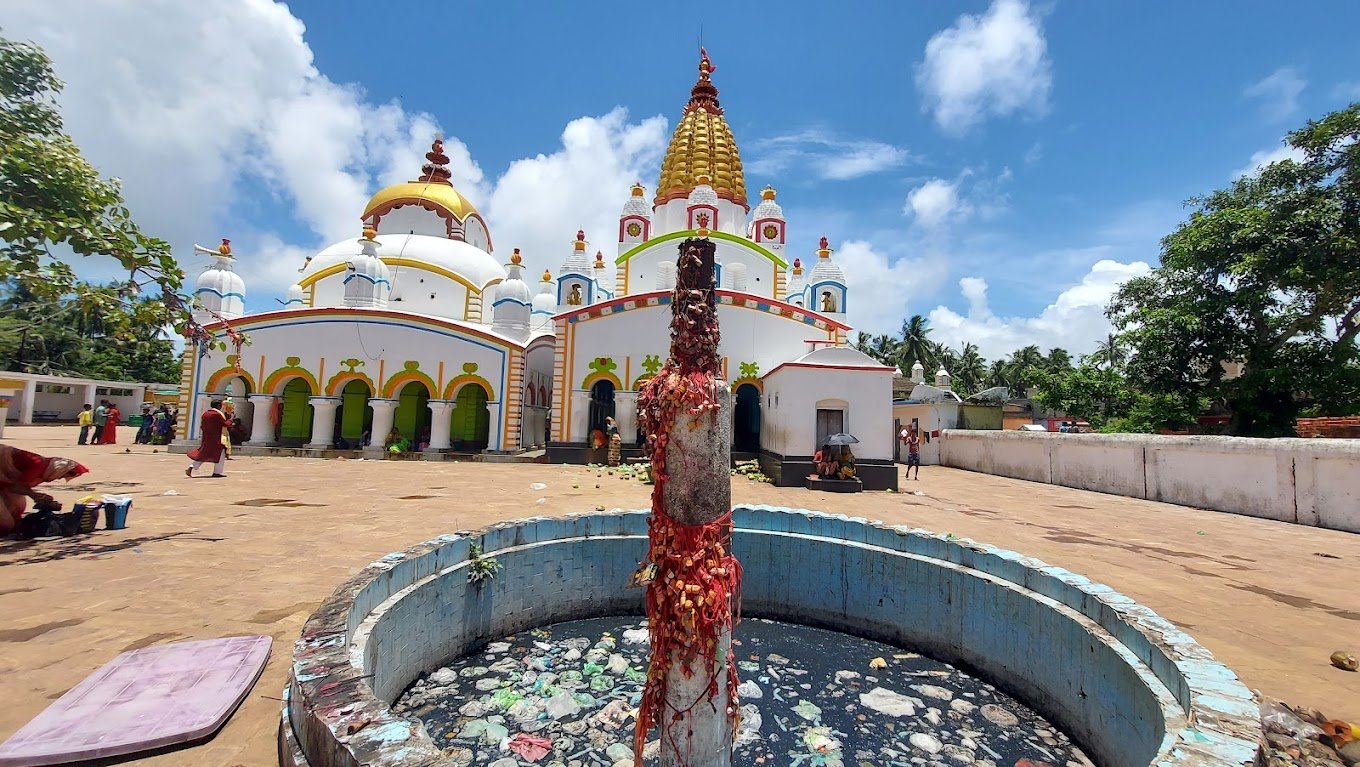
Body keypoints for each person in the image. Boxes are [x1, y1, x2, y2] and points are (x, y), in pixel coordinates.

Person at [0, 444, 88, 536]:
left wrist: (41, 498)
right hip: (7, 485)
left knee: (17, 510)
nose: (58, 479)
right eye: (62, 476)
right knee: (6, 524)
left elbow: (17, 486)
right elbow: (16, 487)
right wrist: (36, 496)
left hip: (5, 485)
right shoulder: (39, 466)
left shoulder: (43, 469)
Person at [186, 399, 228, 477]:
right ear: (218, 406)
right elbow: (225, 424)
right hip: (216, 438)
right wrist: (231, 420)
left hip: (206, 437)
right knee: (220, 454)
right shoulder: (217, 414)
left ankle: (192, 467)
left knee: (203, 454)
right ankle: (217, 472)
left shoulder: (205, 414)